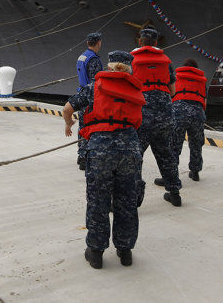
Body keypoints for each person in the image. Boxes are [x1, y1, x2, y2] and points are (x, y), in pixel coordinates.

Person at [63, 50, 145, 269]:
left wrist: (69, 124)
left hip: (100, 149)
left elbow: (67, 108)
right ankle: (125, 250)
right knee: (126, 199)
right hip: (129, 148)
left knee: (98, 200)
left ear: (109, 66)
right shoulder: (136, 88)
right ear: (130, 68)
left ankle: (96, 252)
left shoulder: (92, 88)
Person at [130, 28, 182, 207]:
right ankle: (174, 193)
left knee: (135, 156)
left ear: (139, 42)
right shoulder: (167, 63)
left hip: (142, 115)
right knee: (166, 153)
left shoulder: (132, 61)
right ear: (157, 43)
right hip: (165, 115)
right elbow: (173, 90)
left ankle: (136, 198)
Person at [171, 59, 208, 181]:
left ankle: (172, 174)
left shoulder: (177, 77)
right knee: (196, 144)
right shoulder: (202, 81)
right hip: (197, 113)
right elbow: (204, 100)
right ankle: (195, 171)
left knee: (175, 144)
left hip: (179, 112)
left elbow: (171, 94)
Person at [75, 32, 104, 170]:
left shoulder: (82, 56)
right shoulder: (94, 60)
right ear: (98, 42)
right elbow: (95, 81)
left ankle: (81, 155)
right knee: (89, 126)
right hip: (90, 98)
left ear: (88, 43)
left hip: (81, 94)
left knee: (82, 126)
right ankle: (85, 158)